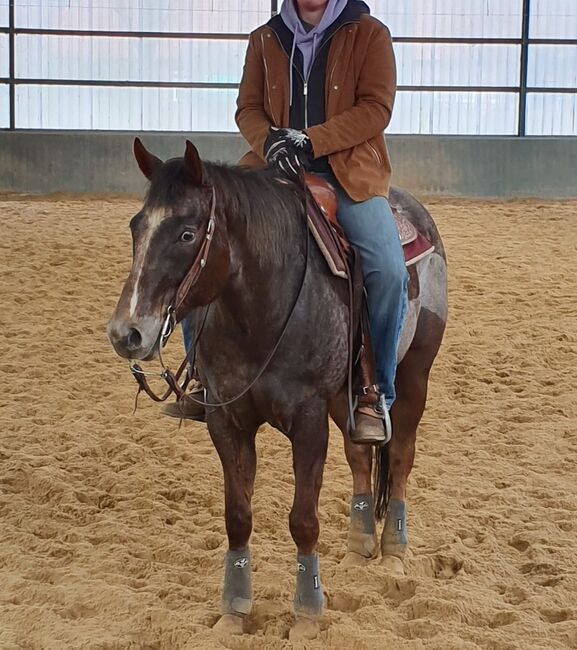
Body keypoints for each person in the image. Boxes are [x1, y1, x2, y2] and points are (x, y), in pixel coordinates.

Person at [163, 0, 407, 445]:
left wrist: (311, 140)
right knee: (203, 237)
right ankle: (200, 373)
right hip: (271, 168)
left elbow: (376, 108)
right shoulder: (264, 38)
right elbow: (248, 108)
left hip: (348, 173)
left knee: (388, 271)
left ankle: (374, 393)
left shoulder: (370, 33)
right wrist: (270, 141)